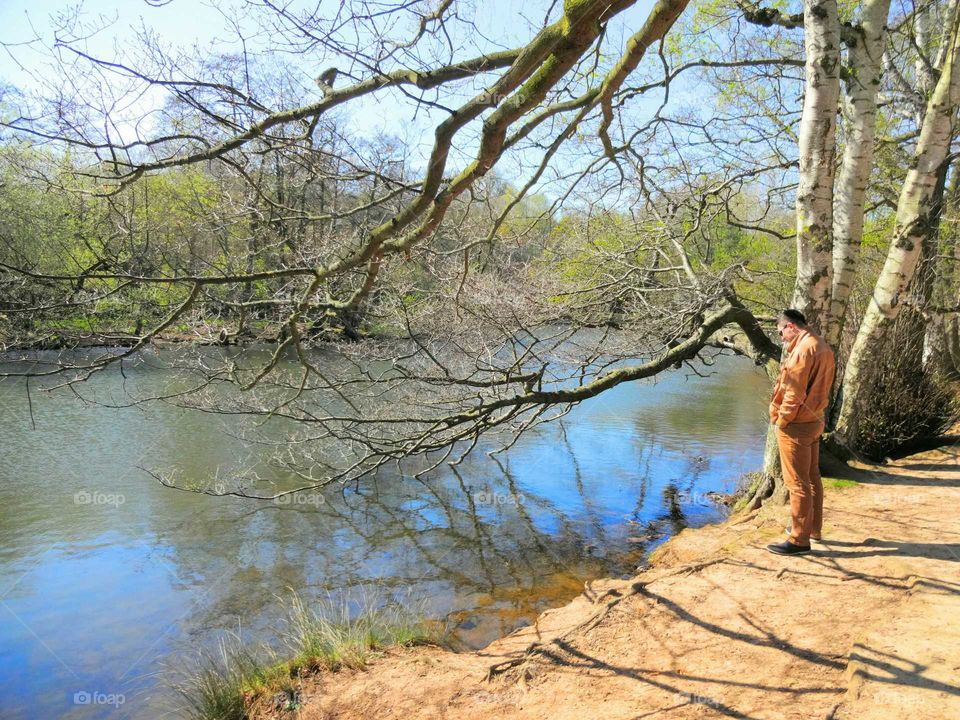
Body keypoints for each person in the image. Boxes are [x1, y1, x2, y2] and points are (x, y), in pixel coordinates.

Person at [767, 309, 836, 556]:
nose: (781, 337)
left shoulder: (803, 350)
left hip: (796, 425)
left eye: (781, 332)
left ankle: (799, 540)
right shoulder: (823, 346)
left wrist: (782, 420)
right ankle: (812, 530)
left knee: (797, 483)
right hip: (815, 420)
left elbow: (793, 394)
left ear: (791, 327)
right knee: (811, 477)